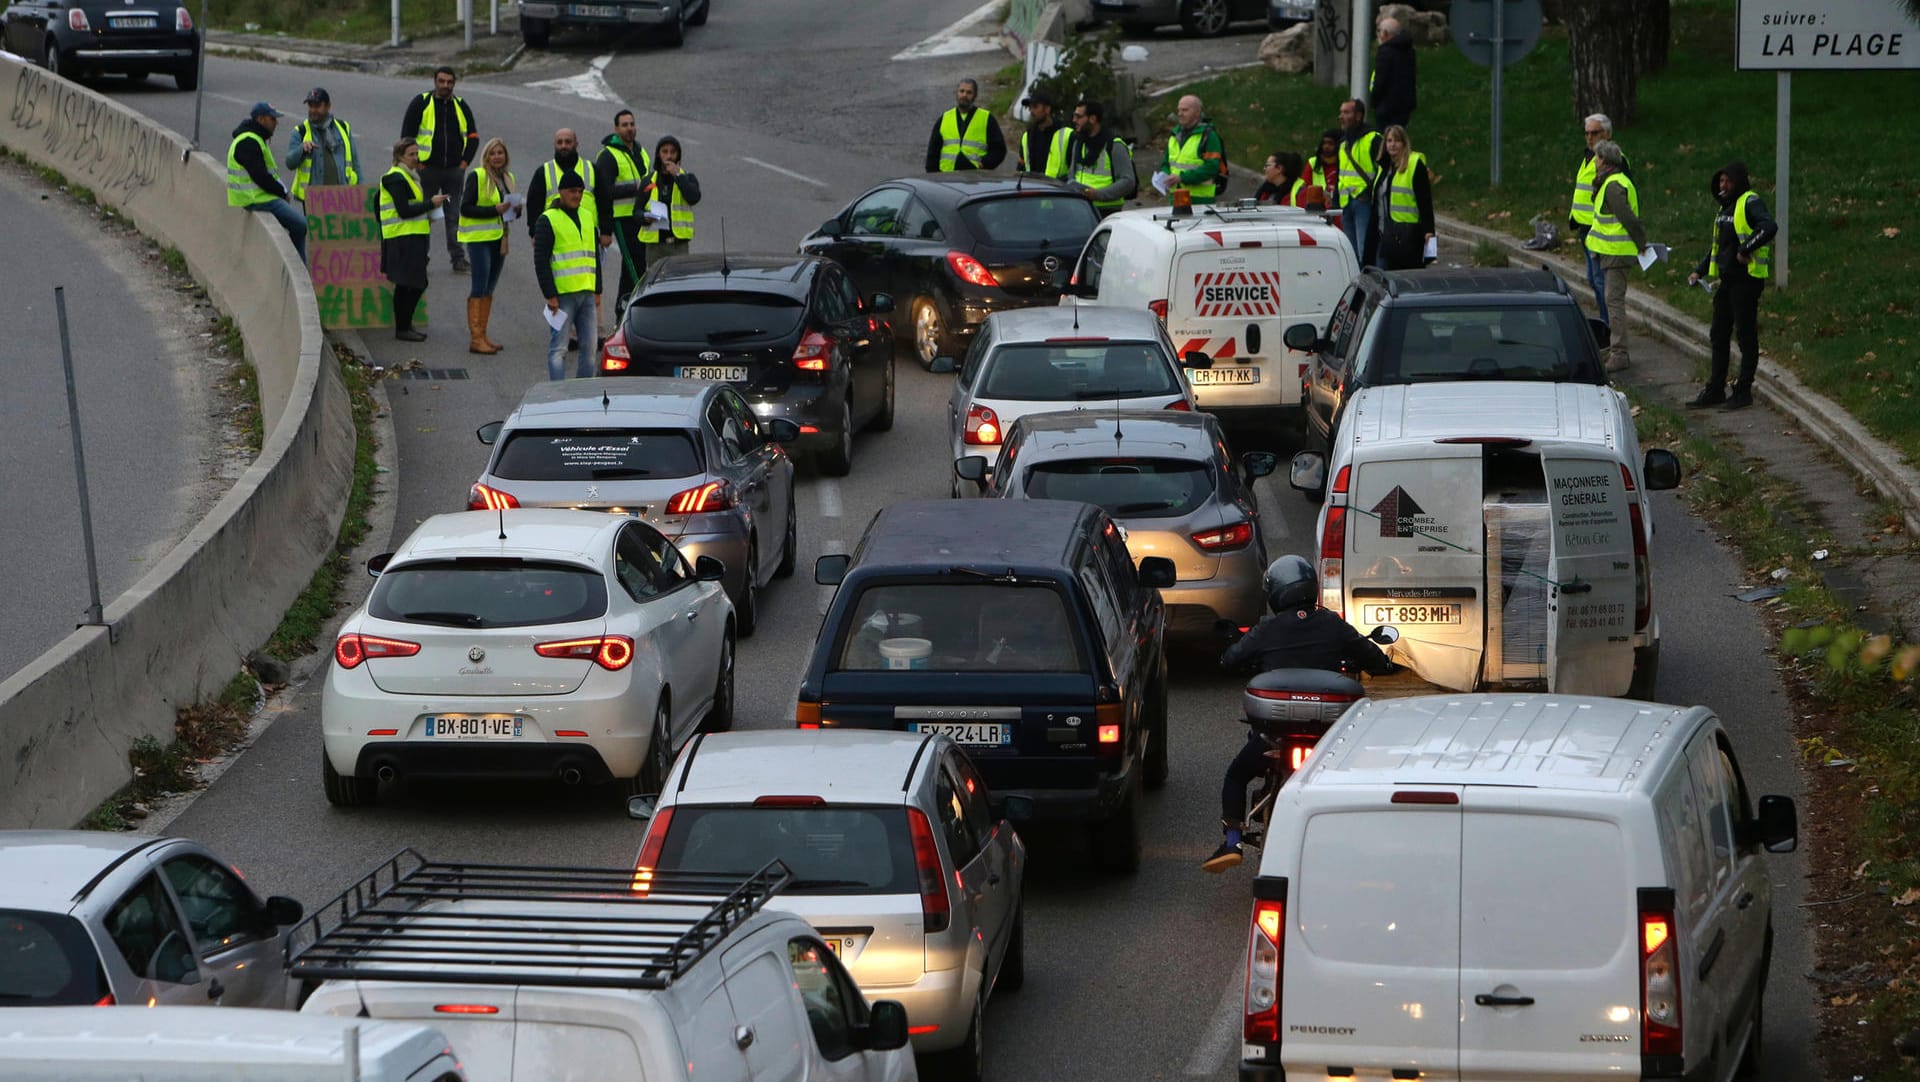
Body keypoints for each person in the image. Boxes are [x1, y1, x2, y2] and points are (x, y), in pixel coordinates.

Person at [1203, 556, 1396, 873]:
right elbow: (1374, 659)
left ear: (1276, 592)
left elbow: (1230, 661)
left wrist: (1238, 650)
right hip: (1325, 740)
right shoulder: (1332, 624)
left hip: (1273, 735)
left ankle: (1233, 840)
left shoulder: (1268, 629)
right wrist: (1383, 665)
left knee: (1237, 775)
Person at [1687, 162, 1778, 411]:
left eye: (1727, 181)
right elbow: (1719, 247)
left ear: (1738, 182)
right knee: (1718, 333)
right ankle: (1716, 388)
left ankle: (1743, 391)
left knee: (1746, 336)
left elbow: (1769, 227)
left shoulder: (1749, 202)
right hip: (1727, 282)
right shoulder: (1725, 209)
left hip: (1746, 281)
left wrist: (1746, 248)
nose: (1722, 186)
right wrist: (1700, 270)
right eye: (1720, 181)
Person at [399, 66, 478, 274]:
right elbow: (407, 136)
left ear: (454, 83)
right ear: (435, 81)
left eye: (449, 82)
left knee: (453, 216)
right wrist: (418, 165)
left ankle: (458, 259)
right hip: (427, 172)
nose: (445, 86)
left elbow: (473, 137)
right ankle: (420, 260)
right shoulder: (421, 103)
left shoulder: (461, 106)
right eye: (441, 81)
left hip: (453, 173)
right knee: (423, 216)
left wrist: (464, 164)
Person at [1586, 140, 1651, 373]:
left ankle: (1619, 353)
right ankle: (1616, 349)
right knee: (1611, 299)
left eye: (1597, 157)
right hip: (1611, 253)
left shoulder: (1613, 185)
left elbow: (1628, 218)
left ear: (1605, 161)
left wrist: (1642, 243)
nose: (1594, 161)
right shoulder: (1612, 182)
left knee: (1614, 301)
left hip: (1617, 253)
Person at [377, 140, 446, 343]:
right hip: (402, 237)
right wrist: (430, 204)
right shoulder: (395, 178)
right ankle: (403, 327)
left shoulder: (410, 176)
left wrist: (429, 210)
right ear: (399, 157)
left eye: (417, 154)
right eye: (411, 154)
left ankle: (405, 325)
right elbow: (404, 210)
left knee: (411, 284)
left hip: (413, 236)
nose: (416, 158)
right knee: (411, 284)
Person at [535, 174, 600, 381]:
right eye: (573, 191)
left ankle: (582, 395)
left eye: (580, 191)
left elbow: (594, 255)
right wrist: (550, 295)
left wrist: (597, 289)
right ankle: (558, 397)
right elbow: (541, 261)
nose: (577, 195)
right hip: (562, 297)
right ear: (561, 192)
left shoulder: (588, 216)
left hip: (587, 294)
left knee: (590, 348)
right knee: (559, 349)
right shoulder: (548, 219)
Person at [1568, 114, 1631, 328]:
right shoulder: (1590, 157)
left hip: (1602, 231)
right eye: (1586, 133)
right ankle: (1607, 325)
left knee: (1600, 280)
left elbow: (1620, 197)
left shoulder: (1614, 160)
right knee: (1593, 279)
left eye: (1594, 132)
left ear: (1607, 133)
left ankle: (1609, 327)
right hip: (1586, 228)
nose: (1589, 137)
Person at [226, 101, 307, 263]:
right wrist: (281, 193)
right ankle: (298, 264)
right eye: (272, 119)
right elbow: (261, 176)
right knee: (300, 224)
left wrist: (281, 191)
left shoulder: (256, 138)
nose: (276, 123)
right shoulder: (249, 141)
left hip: (258, 197)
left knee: (295, 224)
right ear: (261, 119)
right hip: (256, 199)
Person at [457, 137, 514, 355]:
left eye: (500, 153)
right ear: (486, 156)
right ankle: (476, 338)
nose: (497, 157)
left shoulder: (508, 178)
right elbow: (466, 208)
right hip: (479, 239)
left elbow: (505, 209)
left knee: (490, 287)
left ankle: (483, 334)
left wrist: (514, 209)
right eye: (493, 153)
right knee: (479, 286)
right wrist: (494, 210)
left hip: (500, 238)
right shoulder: (478, 176)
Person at [595, 109, 652, 314]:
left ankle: (633, 313)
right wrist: (634, 188)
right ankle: (622, 314)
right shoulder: (608, 156)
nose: (629, 128)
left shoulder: (641, 151)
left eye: (632, 124)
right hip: (622, 219)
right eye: (624, 125)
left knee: (639, 268)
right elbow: (603, 191)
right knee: (631, 270)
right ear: (616, 128)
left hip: (641, 217)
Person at [1064, 98, 1136, 217]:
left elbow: (1128, 181)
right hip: (1081, 208)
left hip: (1107, 212)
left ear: (1092, 119)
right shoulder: (1078, 142)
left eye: (1078, 117)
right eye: (1074, 116)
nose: (1074, 120)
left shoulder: (1115, 145)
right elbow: (1072, 173)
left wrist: (1097, 194)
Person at [1376, 125, 1434, 270]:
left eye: (1397, 141)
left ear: (1404, 143)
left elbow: (1425, 202)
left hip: (1410, 234)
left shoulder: (1414, 164)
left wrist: (1429, 232)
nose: (1392, 145)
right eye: (1389, 141)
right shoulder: (1385, 167)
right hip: (1389, 233)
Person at [286, 87, 357, 205]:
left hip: (342, 195)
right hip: (315, 199)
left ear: (328, 106)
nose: (313, 110)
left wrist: (361, 193)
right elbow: (290, 162)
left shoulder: (343, 128)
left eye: (317, 106)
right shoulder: (300, 131)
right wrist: (302, 149)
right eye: (310, 106)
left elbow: (355, 163)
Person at [639, 135, 701, 265]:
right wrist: (646, 217)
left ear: (678, 155)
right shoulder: (649, 181)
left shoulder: (687, 178)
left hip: (678, 245)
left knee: (679, 281)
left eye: (673, 152)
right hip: (655, 246)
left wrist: (678, 175)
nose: (669, 156)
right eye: (665, 152)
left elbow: (694, 197)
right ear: (658, 155)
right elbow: (636, 212)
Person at [1337, 99, 1384, 265]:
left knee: (1366, 249)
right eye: (1341, 112)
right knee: (1351, 252)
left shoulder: (1373, 139)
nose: (1341, 116)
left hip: (1364, 202)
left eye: (1346, 112)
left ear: (1358, 116)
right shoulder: (1343, 143)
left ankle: (1371, 284)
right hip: (1346, 202)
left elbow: (1383, 170)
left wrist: (1369, 193)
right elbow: (1341, 175)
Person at [925, 78, 1006, 172]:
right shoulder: (945, 118)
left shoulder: (986, 118)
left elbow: (999, 150)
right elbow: (933, 152)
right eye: (961, 91)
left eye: (969, 92)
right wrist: (933, 176)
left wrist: (984, 164)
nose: (964, 95)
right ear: (957, 93)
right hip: (947, 177)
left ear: (975, 96)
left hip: (974, 178)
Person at [1160, 94, 1225, 205]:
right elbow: (1167, 163)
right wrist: (1164, 175)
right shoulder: (1174, 135)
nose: (1180, 114)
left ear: (1197, 112)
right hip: (1175, 198)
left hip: (1200, 200)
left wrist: (1182, 178)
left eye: (1185, 110)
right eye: (1179, 110)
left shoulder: (1208, 136)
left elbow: (1212, 167)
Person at [1369, 16, 1417, 130]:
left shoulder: (1385, 52)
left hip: (1387, 107)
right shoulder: (1408, 50)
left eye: (1379, 31)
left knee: (1386, 140)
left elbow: (1381, 80)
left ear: (1385, 33)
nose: (1378, 35)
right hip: (1405, 105)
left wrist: (1374, 101)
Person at [1017, 87, 1071, 179]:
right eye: (1029, 107)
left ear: (1047, 109)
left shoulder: (1065, 135)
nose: (1031, 111)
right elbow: (1021, 167)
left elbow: (1073, 171)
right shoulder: (1027, 136)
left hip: (1057, 190)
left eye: (1035, 107)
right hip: (1032, 188)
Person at [1311, 128, 1341, 221]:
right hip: (1318, 212)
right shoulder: (1313, 163)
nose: (1326, 146)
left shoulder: (1344, 162)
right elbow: (1305, 188)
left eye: (1330, 143)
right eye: (1324, 143)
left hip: (1339, 210)